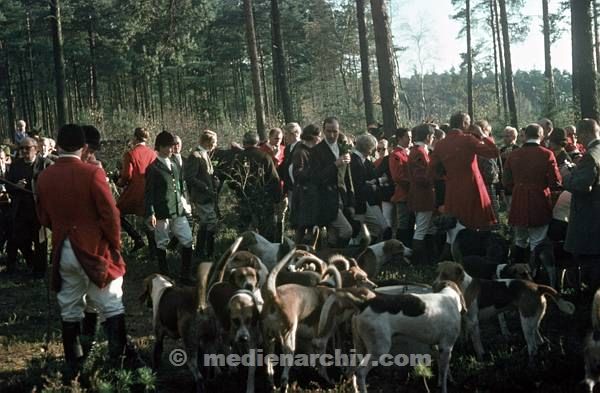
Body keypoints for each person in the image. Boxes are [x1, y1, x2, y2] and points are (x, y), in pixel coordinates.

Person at [36, 124, 135, 376]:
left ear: (57, 146)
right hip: (92, 249)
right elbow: (110, 214)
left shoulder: (45, 176)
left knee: (70, 308)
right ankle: (120, 366)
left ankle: (74, 367)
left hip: (63, 250)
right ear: (83, 147)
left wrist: (62, 230)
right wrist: (114, 243)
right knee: (111, 304)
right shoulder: (92, 173)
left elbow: (43, 216)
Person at [428, 111, 498, 247]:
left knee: (455, 225)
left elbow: (431, 170)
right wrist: (482, 135)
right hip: (473, 187)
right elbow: (493, 152)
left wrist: (446, 176)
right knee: (476, 224)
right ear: (464, 123)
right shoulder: (468, 139)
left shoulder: (440, 144)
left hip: (452, 189)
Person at [503, 123, 561, 270]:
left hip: (518, 200)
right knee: (537, 241)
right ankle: (535, 273)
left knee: (520, 240)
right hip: (539, 201)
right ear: (541, 135)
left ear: (525, 136)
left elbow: (506, 181)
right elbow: (556, 182)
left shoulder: (513, 154)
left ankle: (515, 273)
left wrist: (517, 189)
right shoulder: (547, 154)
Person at [145, 131, 194, 282]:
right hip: (161, 212)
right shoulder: (153, 168)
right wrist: (151, 212)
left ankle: (185, 275)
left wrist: (185, 205)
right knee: (162, 243)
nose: (171, 149)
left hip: (178, 210)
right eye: (167, 146)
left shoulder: (174, 165)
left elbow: (179, 188)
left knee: (188, 240)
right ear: (159, 147)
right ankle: (165, 277)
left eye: (172, 146)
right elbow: (149, 193)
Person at [5, 137, 52, 276]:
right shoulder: (15, 165)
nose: (24, 151)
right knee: (20, 239)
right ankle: (32, 262)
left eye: (27, 148)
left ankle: (40, 272)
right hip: (20, 211)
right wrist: (16, 187)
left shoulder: (46, 164)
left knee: (40, 242)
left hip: (39, 210)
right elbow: (8, 186)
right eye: (21, 148)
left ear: (36, 149)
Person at [563, 118, 600, 290]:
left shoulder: (590, 156)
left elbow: (583, 185)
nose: (577, 140)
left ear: (586, 132)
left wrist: (567, 176)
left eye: (578, 135)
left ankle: (592, 299)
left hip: (589, 215)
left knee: (591, 260)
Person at [310, 117, 354, 247]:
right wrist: (335, 164)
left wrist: (351, 200)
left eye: (335, 131)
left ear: (339, 130)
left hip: (341, 197)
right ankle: (339, 254)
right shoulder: (316, 151)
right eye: (328, 131)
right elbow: (316, 178)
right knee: (346, 231)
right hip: (326, 200)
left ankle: (332, 260)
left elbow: (348, 178)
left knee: (333, 235)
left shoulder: (343, 149)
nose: (332, 135)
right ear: (323, 131)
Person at [232, 132, 282, 241]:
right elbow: (275, 180)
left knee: (244, 234)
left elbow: (232, 182)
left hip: (244, 200)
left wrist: (239, 193)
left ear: (244, 143)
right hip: (264, 201)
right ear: (257, 142)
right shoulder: (265, 157)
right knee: (267, 233)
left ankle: (244, 255)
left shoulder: (238, 158)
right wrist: (277, 199)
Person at [116, 127, 157, 253]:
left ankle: (137, 238)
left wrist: (119, 182)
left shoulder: (130, 154)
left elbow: (127, 176)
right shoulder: (153, 154)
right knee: (148, 219)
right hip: (150, 191)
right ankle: (153, 250)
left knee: (116, 213)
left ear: (135, 138)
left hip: (135, 190)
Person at [185, 130, 219, 258]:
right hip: (201, 196)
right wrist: (205, 186)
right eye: (213, 142)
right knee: (209, 222)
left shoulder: (205, 154)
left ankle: (204, 252)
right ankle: (204, 252)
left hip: (208, 195)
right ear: (206, 142)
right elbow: (189, 177)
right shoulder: (195, 155)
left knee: (207, 223)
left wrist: (214, 180)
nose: (215, 145)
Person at [350, 133, 391, 241]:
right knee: (360, 234)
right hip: (359, 202)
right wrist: (372, 185)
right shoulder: (355, 162)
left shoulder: (363, 161)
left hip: (367, 201)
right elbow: (358, 185)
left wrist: (373, 182)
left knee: (375, 230)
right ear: (368, 148)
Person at [407, 124, 437, 263]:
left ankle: (429, 258)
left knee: (429, 228)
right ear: (427, 137)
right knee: (421, 229)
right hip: (422, 196)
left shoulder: (419, 150)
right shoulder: (419, 152)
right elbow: (421, 177)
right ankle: (416, 261)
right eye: (432, 137)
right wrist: (435, 176)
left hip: (424, 196)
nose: (433, 139)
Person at [290, 124, 321, 243]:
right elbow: (297, 173)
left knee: (309, 227)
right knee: (302, 227)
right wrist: (314, 171)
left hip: (310, 193)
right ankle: (296, 251)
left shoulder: (310, 150)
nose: (320, 138)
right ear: (312, 137)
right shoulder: (301, 152)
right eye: (318, 136)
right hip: (304, 194)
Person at [389, 127, 412, 246]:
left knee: (409, 223)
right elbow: (397, 176)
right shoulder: (396, 154)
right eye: (407, 137)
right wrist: (412, 183)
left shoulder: (408, 152)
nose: (410, 139)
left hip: (411, 195)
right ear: (400, 138)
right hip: (403, 194)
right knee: (402, 223)